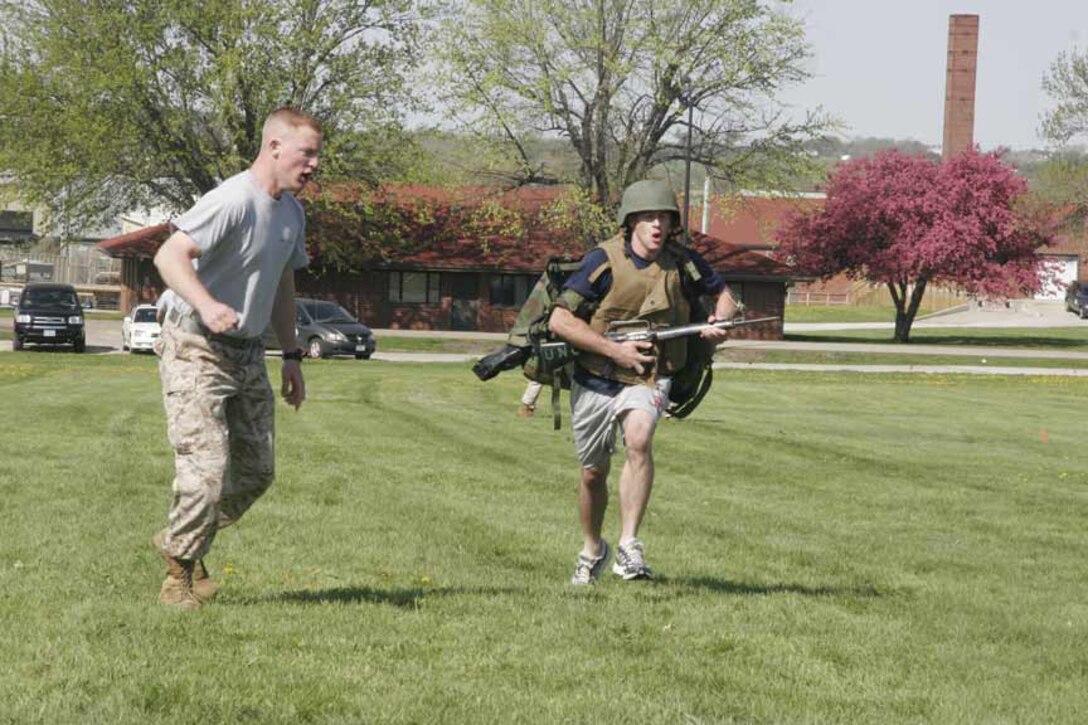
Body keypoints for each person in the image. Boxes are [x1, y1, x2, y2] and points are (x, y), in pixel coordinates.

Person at [150, 107, 321, 608]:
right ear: (273, 147)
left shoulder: (291, 212)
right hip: (194, 346)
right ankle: (178, 578)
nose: (313, 165)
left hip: (247, 353)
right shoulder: (232, 199)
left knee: (255, 472)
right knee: (205, 471)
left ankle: (179, 539)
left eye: (317, 156)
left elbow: (284, 282)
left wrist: (290, 354)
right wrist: (206, 302)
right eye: (306, 153)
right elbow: (168, 256)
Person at [548, 179, 739, 585]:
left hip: (652, 375)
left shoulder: (684, 263)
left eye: (665, 218)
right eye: (649, 217)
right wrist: (616, 351)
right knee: (592, 474)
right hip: (597, 377)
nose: (657, 225)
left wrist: (720, 321)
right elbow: (560, 320)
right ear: (631, 221)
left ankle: (629, 545)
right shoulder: (601, 261)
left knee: (639, 440)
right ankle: (592, 548)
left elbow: (725, 295)